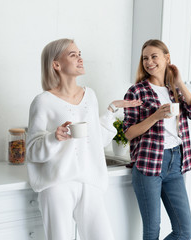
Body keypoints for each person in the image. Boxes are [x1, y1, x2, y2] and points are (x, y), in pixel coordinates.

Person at [26, 38, 142, 240]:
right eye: (73, 55)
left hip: (90, 181)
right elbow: (32, 150)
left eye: (79, 54)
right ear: (56, 64)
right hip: (57, 184)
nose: (80, 58)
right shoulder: (42, 101)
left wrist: (112, 109)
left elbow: (97, 138)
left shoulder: (90, 96)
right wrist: (54, 137)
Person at [123, 39, 191, 240]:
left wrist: (179, 83)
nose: (149, 62)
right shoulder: (137, 91)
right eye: (145, 58)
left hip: (175, 162)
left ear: (167, 58)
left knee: (184, 232)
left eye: (154, 56)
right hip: (149, 164)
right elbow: (128, 133)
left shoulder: (174, 90)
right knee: (152, 231)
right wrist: (155, 116)